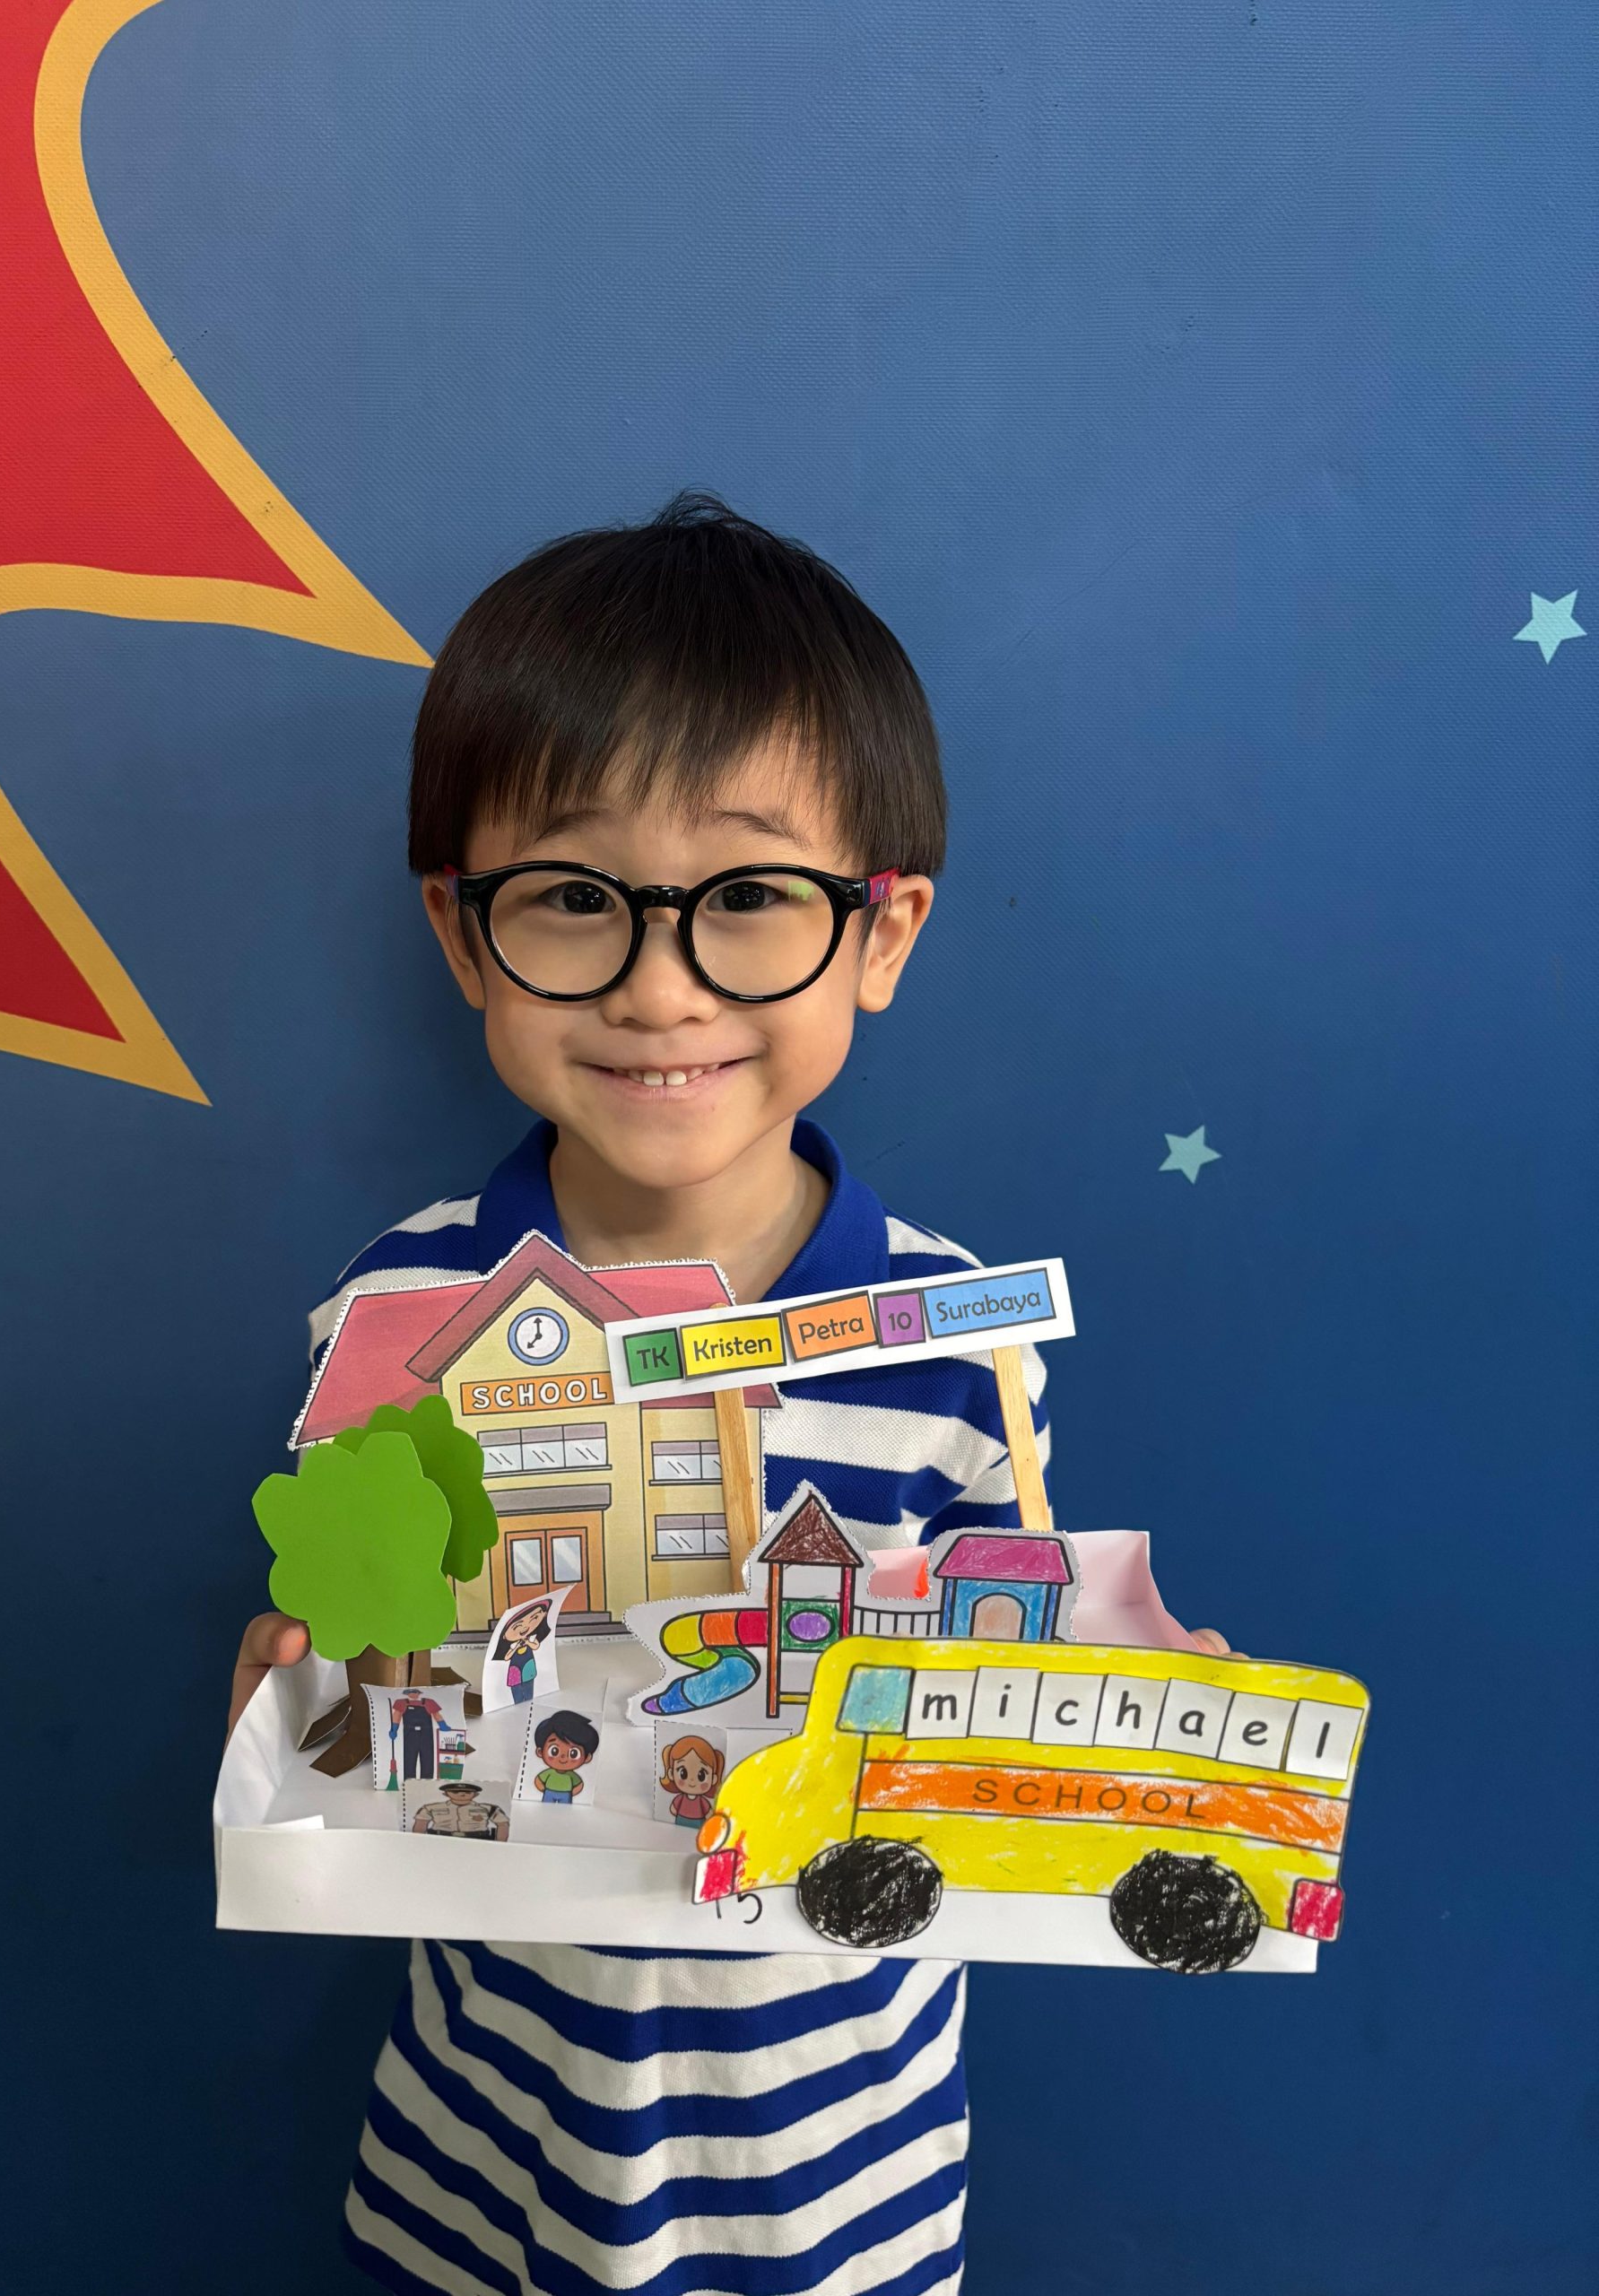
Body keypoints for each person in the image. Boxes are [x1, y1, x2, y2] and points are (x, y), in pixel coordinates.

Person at [228, 493, 1234, 2296]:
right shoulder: (405, 1310)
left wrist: (1127, 1716)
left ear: (882, 931)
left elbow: (1009, 1666)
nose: (660, 985)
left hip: (840, 2184)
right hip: (487, 2161)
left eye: (751, 897)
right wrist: (296, 1703)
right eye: (572, 898)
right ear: (462, 933)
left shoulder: (956, 1344)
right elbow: (345, 1676)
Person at [530, 1711, 599, 1804]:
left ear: (587, 1758)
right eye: (554, 1751)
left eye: (573, 1754)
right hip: (549, 1793)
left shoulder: (571, 1776)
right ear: (540, 1752)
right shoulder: (549, 1773)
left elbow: (579, 1785)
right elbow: (538, 1780)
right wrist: (544, 1789)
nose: (563, 1757)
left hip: (566, 1795)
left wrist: (571, 1793)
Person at [660, 1732, 725, 1827]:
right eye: (683, 1773)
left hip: (698, 1822)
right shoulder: (680, 1799)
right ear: (671, 1774)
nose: (692, 1781)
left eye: (701, 1776)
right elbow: (673, 1810)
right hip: (680, 1820)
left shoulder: (702, 1801)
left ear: (713, 1779)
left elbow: (673, 1810)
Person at [412, 1781, 509, 1840]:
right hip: (440, 1839)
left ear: (476, 1794)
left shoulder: (489, 1808)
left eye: (468, 1792)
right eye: (455, 1791)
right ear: (445, 1794)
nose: (461, 1794)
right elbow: (421, 1823)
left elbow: (503, 1824)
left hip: (477, 1840)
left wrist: (500, 1845)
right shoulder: (431, 1808)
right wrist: (418, 1843)